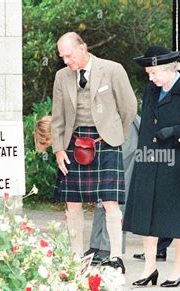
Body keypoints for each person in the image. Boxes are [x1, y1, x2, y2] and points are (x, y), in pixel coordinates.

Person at [123, 45, 180, 287]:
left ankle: (179, 269)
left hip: (179, 164)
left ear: (169, 70)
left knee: (179, 219)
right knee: (147, 215)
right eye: (149, 74)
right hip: (150, 161)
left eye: (154, 73)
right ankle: (150, 268)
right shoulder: (152, 90)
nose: (150, 78)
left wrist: (176, 131)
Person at [51, 32, 137, 273]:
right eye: (62, 56)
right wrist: (58, 149)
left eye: (68, 55)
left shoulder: (112, 69)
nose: (66, 61)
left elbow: (129, 106)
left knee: (110, 202)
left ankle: (116, 257)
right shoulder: (61, 77)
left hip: (105, 142)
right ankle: (76, 257)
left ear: (83, 48)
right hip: (74, 143)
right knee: (73, 202)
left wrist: (115, 135)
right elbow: (57, 117)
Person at [34, 115, 141, 265]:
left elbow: (127, 107)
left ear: (50, 135)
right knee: (96, 203)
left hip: (118, 141)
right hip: (90, 147)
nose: (52, 147)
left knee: (112, 200)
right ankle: (89, 250)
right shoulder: (69, 129)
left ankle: (113, 254)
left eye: (49, 143)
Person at [86, 115, 141, 264]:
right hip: (105, 136)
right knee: (101, 194)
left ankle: (109, 248)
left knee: (115, 196)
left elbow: (128, 106)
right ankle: (96, 245)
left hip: (124, 136)